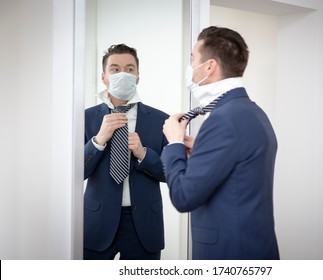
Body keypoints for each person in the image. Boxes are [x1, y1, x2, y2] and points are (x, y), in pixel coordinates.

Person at [161, 26, 280, 260]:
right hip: (253, 247)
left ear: (210, 66)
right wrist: (201, 150)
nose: (190, 67)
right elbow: (238, 168)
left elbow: (184, 197)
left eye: (193, 58)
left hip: (229, 255)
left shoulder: (223, 120)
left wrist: (174, 143)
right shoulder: (252, 112)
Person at [84, 44, 169, 260]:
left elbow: (171, 173)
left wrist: (143, 154)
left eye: (129, 69)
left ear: (138, 76)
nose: (123, 74)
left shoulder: (161, 120)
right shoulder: (85, 118)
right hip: (98, 222)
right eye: (115, 69)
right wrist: (98, 140)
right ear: (104, 77)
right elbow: (75, 173)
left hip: (143, 225)